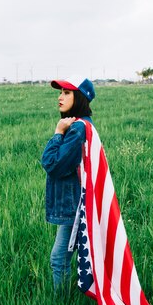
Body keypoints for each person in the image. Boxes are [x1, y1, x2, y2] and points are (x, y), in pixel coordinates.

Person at [41, 76, 95, 291]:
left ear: (79, 97)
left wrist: (57, 132)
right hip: (75, 200)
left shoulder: (76, 129)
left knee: (59, 259)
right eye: (60, 92)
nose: (60, 97)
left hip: (74, 203)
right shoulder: (80, 125)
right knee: (62, 257)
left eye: (66, 93)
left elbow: (52, 164)